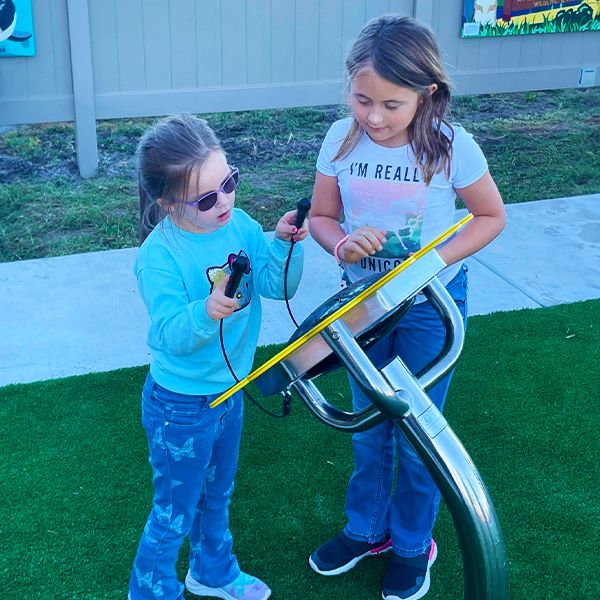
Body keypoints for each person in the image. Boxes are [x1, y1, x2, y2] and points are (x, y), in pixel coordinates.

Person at [307, 15, 505, 600]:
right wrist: (341, 243)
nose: (373, 116)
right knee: (368, 429)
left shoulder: (451, 146)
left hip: (429, 308)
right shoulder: (340, 139)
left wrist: (429, 264)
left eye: (391, 104)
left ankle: (414, 545)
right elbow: (322, 217)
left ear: (429, 94)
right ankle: (366, 531)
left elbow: (490, 217)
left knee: (418, 432)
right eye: (362, 99)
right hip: (361, 309)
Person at [129, 113, 307, 600]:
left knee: (216, 495)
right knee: (173, 512)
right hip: (179, 405)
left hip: (230, 391)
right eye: (206, 198)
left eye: (228, 183)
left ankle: (212, 571)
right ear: (167, 201)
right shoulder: (159, 255)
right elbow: (167, 334)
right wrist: (206, 312)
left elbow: (275, 285)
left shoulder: (240, 225)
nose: (224, 202)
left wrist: (283, 245)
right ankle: (150, 592)